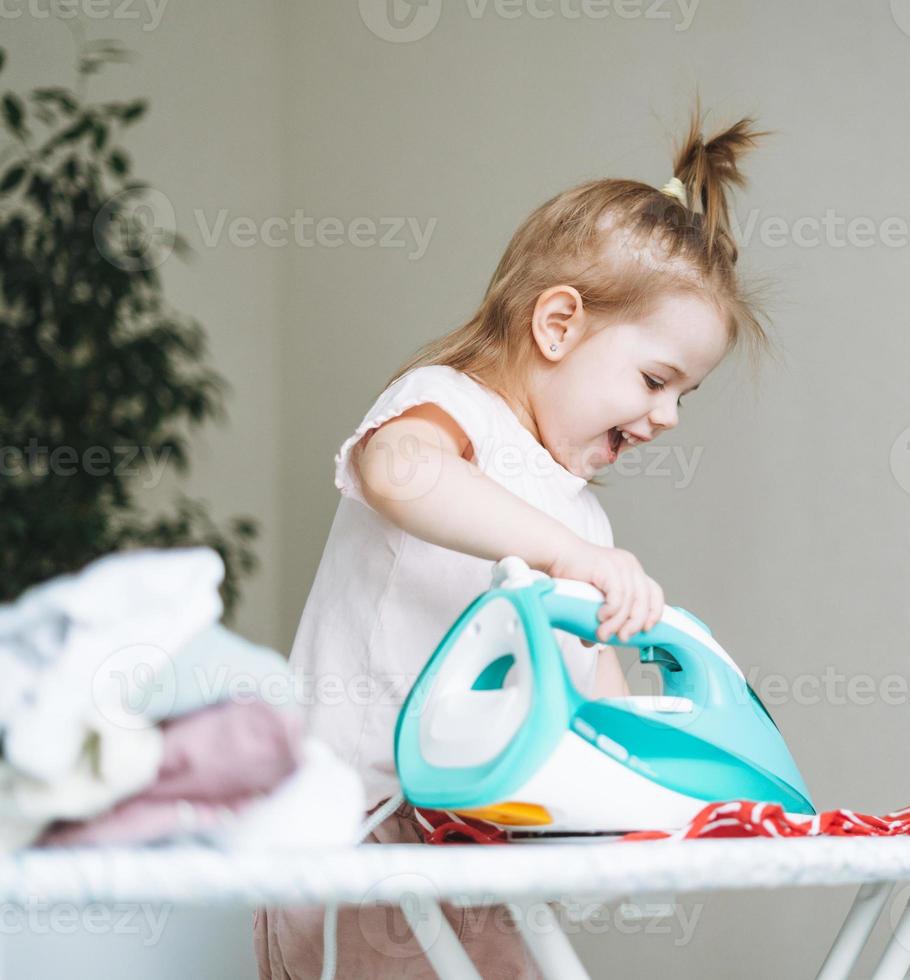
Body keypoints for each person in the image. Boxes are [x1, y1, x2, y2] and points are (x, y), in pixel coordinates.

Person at [253, 106, 769, 979]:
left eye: (686, 394)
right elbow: (396, 472)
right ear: (557, 324)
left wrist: (659, 784)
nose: (668, 416)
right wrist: (574, 559)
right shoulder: (452, 410)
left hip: (488, 843)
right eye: (654, 380)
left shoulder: (581, 520)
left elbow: (593, 695)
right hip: (370, 833)